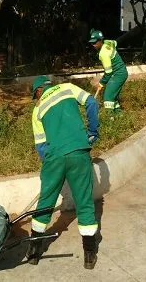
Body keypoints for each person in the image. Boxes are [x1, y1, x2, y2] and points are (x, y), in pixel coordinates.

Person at [28, 76, 100, 269]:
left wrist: (51, 169)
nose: (35, 98)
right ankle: (89, 255)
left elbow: (41, 147)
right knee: (84, 201)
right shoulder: (67, 88)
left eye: (34, 95)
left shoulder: (37, 111)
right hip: (78, 151)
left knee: (45, 202)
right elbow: (91, 102)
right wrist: (92, 132)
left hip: (54, 158)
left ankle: (34, 253)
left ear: (38, 91)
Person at [88, 29, 128, 112]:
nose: (93, 45)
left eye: (95, 42)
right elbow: (115, 43)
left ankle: (109, 118)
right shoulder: (108, 42)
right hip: (121, 72)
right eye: (92, 43)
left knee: (108, 97)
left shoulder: (103, 54)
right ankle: (119, 115)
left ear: (100, 41)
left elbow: (108, 72)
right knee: (113, 98)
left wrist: (101, 83)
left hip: (118, 74)